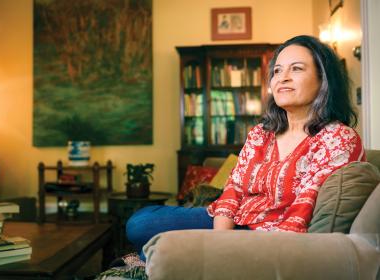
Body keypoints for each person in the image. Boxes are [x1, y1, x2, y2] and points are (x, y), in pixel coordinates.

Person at [125, 35, 365, 260]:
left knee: (161, 248)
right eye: (277, 70)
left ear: (324, 79)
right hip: (232, 221)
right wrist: (222, 240)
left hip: (270, 236)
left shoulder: (338, 138)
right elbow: (234, 189)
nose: (283, 77)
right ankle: (181, 254)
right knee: (140, 222)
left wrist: (236, 249)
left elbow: (304, 207)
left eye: (297, 68)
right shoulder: (262, 133)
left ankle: (171, 256)